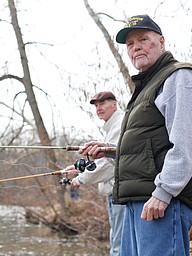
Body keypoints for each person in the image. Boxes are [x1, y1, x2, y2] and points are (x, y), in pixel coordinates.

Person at [78, 14, 192, 255]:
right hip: (136, 203)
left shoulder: (177, 77)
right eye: (130, 44)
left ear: (161, 41)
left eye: (143, 39)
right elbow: (146, 148)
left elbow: (186, 143)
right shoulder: (143, 89)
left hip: (160, 204)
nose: (135, 47)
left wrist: (164, 193)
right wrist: (108, 151)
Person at [66, 91, 125, 256]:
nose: (99, 108)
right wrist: (77, 168)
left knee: (119, 244)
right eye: (96, 105)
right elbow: (102, 159)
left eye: (103, 103)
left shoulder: (119, 124)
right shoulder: (111, 126)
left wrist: (80, 179)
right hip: (115, 193)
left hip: (120, 193)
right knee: (118, 240)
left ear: (114, 104)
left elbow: (109, 163)